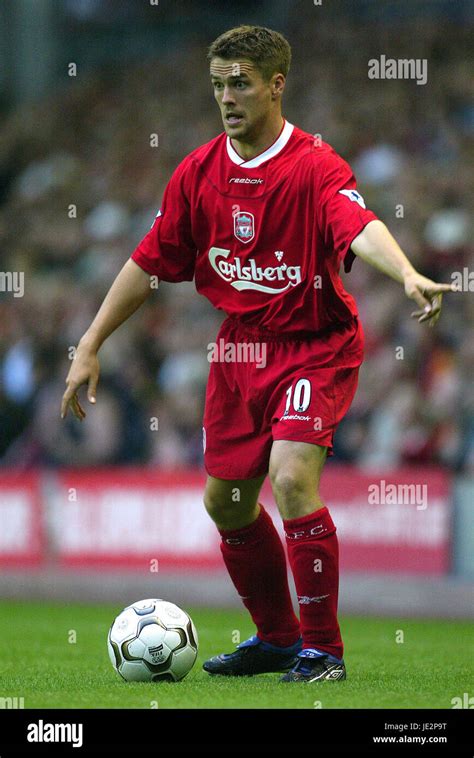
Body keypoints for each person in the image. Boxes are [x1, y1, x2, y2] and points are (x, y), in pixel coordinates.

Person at [61, 25, 455, 683]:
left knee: (293, 477)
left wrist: (407, 273)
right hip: (240, 351)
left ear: (277, 85)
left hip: (316, 344)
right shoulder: (197, 173)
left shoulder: (316, 165)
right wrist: (91, 343)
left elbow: (360, 225)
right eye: (217, 85)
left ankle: (323, 652)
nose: (226, 97)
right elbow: (147, 260)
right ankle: (277, 638)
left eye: (239, 82)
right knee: (227, 505)